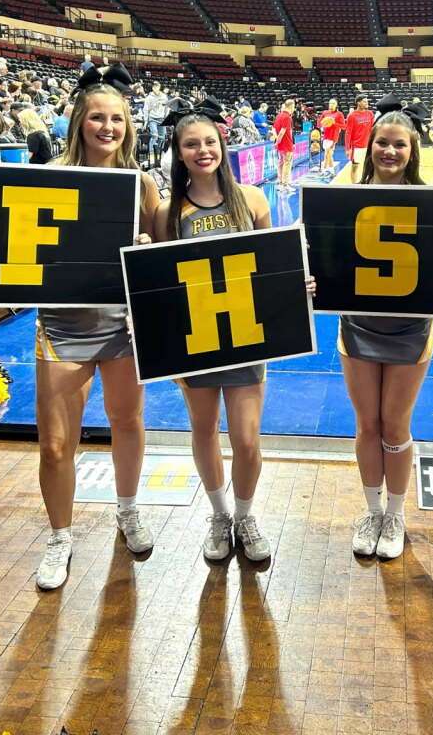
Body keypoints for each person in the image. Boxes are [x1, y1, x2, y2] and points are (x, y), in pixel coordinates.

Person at [154, 99, 302, 563]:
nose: (203, 151)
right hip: (195, 338)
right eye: (191, 144)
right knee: (202, 430)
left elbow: (272, 269)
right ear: (178, 153)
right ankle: (218, 516)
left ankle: (245, 515)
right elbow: (157, 281)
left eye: (209, 142)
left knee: (246, 439)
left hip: (245, 334)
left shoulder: (253, 199)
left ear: (223, 145)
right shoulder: (166, 211)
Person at [34, 64, 161, 591]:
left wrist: (151, 251)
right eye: (97, 118)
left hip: (123, 325)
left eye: (117, 119)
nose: (107, 127)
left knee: (125, 423)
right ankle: (60, 537)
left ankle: (127, 511)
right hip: (61, 323)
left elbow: (162, 254)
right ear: (78, 123)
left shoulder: (143, 184)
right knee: (55, 446)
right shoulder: (46, 177)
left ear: (128, 126)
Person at [340, 98, 433, 561]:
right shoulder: (346, 195)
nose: (390, 151)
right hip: (357, 326)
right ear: (369, 146)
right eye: (383, 142)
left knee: (395, 423)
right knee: (367, 423)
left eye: (399, 144)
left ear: (412, 150)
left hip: (411, 329)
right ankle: (372, 511)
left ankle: (396, 514)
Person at [344, 94, 375, 183]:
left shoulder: (370, 113)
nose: (367, 103)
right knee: (355, 167)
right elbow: (348, 133)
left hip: (368, 145)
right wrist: (347, 149)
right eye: (364, 101)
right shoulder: (352, 116)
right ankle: (354, 186)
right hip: (356, 146)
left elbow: (373, 129)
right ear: (358, 103)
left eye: (367, 101)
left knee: (370, 166)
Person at [317, 98, 346, 175]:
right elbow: (318, 124)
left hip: (333, 137)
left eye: (333, 103)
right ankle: (331, 170)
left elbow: (344, 126)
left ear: (336, 105)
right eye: (330, 103)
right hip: (325, 136)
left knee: (328, 152)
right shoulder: (325, 113)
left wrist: (334, 123)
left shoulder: (339, 114)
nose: (331, 105)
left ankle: (325, 169)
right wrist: (323, 123)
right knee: (328, 153)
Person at [143, 80, 168, 165]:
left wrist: (166, 117)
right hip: (152, 118)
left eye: (157, 86)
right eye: (154, 87)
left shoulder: (164, 97)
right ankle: (151, 155)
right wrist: (146, 122)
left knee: (162, 138)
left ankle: (159, 154)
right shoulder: (149, 98)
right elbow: (145, 110)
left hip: (161, 119)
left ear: (159, 87)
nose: (156, 88)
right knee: (155, 136)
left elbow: (166, 108)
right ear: (153, 88)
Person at [273, 98, 295, 192]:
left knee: (281, 162)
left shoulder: (278, 116)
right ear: (291, 106)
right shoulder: (287, 117)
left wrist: (276, 141)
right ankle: (285, 184)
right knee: (287, 163)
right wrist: (277, 141)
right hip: (286, 144)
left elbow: (273, 129)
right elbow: (282, 132)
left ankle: (281, 181)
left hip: (281, 144)